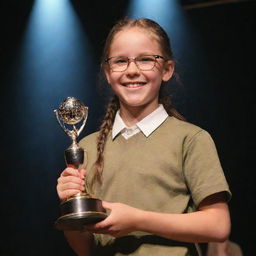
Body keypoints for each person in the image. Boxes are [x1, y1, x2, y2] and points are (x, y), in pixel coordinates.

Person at [56, 18, 231, 256]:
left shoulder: (190, 139)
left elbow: (218, 225)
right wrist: (70, 207)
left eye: (146, 59)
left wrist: (137, 220)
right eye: (120, 61)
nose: (132, 70)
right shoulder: (87, 147)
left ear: (167, 69)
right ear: (107, 72)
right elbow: (86, 249)